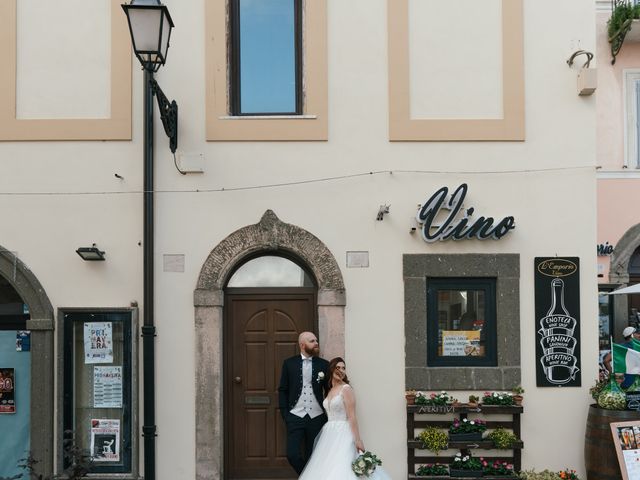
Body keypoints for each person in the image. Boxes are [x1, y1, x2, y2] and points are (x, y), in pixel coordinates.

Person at [299, 357, 391, 480]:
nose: (341, 370)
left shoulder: (346, 389)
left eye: (343, 368)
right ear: (331, 370)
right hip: (329, 433)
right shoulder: (330, 390)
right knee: (327, 465)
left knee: (341, 465)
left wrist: (358, 440)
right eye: (338, 368)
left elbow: (352, 416)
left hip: (343, 431)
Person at [278, 332, 330, 475]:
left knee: (313, 456)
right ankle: (307, 476)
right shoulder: (289, 363)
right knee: (292, 454)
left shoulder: (324, 365)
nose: (316, 343)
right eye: (312, 341)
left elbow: (329, 390)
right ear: (302, 345)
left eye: (316, 340)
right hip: (295, 416)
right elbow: (283, 390)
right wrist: (285, 414)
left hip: (317, 417)